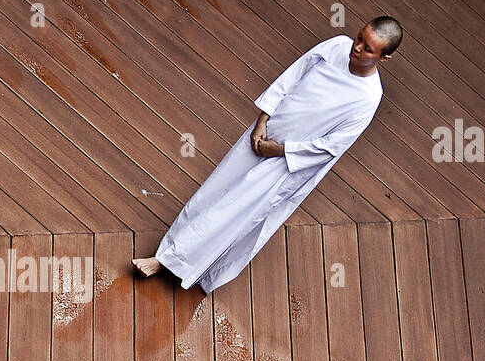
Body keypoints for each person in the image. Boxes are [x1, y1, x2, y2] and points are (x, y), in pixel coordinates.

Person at [132, 17, 400, 294]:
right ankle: (171, 251)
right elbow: (290, 77)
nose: (357, 48)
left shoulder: (368, 98)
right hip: (266, 132)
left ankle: (169, 262)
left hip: (289, 163)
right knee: (214, 192)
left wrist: (281, 151)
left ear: (385, 57)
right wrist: (262, 119)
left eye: (368, 48)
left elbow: (332, 146)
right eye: (359, 38)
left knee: (234, 212)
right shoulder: (336, 46)